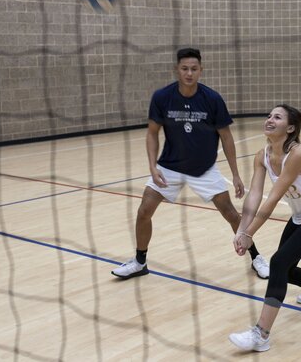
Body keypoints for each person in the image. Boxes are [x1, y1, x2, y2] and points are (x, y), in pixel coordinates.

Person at [111, 48, 269, 280]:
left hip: (203, 169)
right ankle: (139, 261)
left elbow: (226, 137)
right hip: (170, 167)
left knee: (231, 214)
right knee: (144, 211)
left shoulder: (212, 99)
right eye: (184, 68)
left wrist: (235, 174)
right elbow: (152, 133)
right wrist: (153, 166)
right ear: (177, 70)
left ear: (200, 71)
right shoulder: (162, 97)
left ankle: (256, 257)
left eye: (194, 69)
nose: (189, 73)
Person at [228, 104, 301, 352]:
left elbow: (272, 198)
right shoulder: (262, 155)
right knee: (286, 270)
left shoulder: (297, 153)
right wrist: (241, 229)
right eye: (268, 115)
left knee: (278, 263)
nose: (269, 119)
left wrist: (249, 234)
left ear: (290, 128)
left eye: (277, 117)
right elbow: (255, 195)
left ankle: (261, 335)